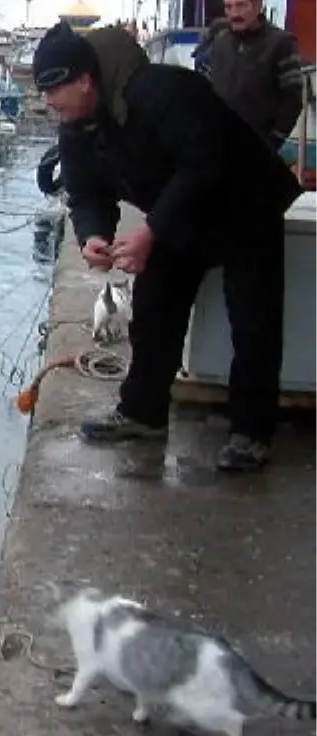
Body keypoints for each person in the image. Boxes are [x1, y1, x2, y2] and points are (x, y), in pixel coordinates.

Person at [34, 21, 302, 471]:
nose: (47, 102)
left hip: (242, 202)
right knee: (155, 308)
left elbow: (203, 165)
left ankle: (251, 432)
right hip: (177, 211)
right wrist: (94, 235)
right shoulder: (76, 125)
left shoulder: (162, 92)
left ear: (84, 81)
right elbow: (86, 193)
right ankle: (143, 412)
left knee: (253, 322)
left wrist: (150, 231)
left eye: (53, 90)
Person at [206, 0, 304, 151]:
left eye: (241, 5)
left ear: (258, 7)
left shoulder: (281, 43)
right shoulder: (220, 41)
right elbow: (211, 90)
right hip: (218, 145)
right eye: (228, 7)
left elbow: (293, 100)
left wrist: (273, 141)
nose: (234, 13)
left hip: (258, 146)